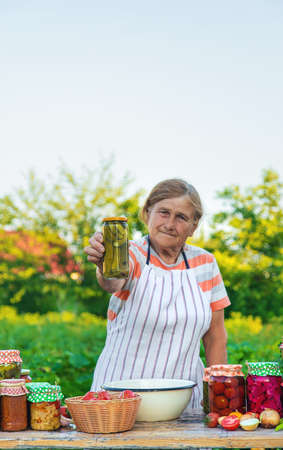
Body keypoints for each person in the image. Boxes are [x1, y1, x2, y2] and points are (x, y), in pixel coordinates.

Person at [84, 178, 230, 408]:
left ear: (194, 225)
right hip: (119, 400)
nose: (170, 224)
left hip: (182, 404)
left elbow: (215, 337)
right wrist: (104, 263)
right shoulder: (130, 253)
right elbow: (113, 282)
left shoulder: (205, 263)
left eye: (181, 217)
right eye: (164, 212)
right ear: (147, 213)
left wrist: (221, 397)